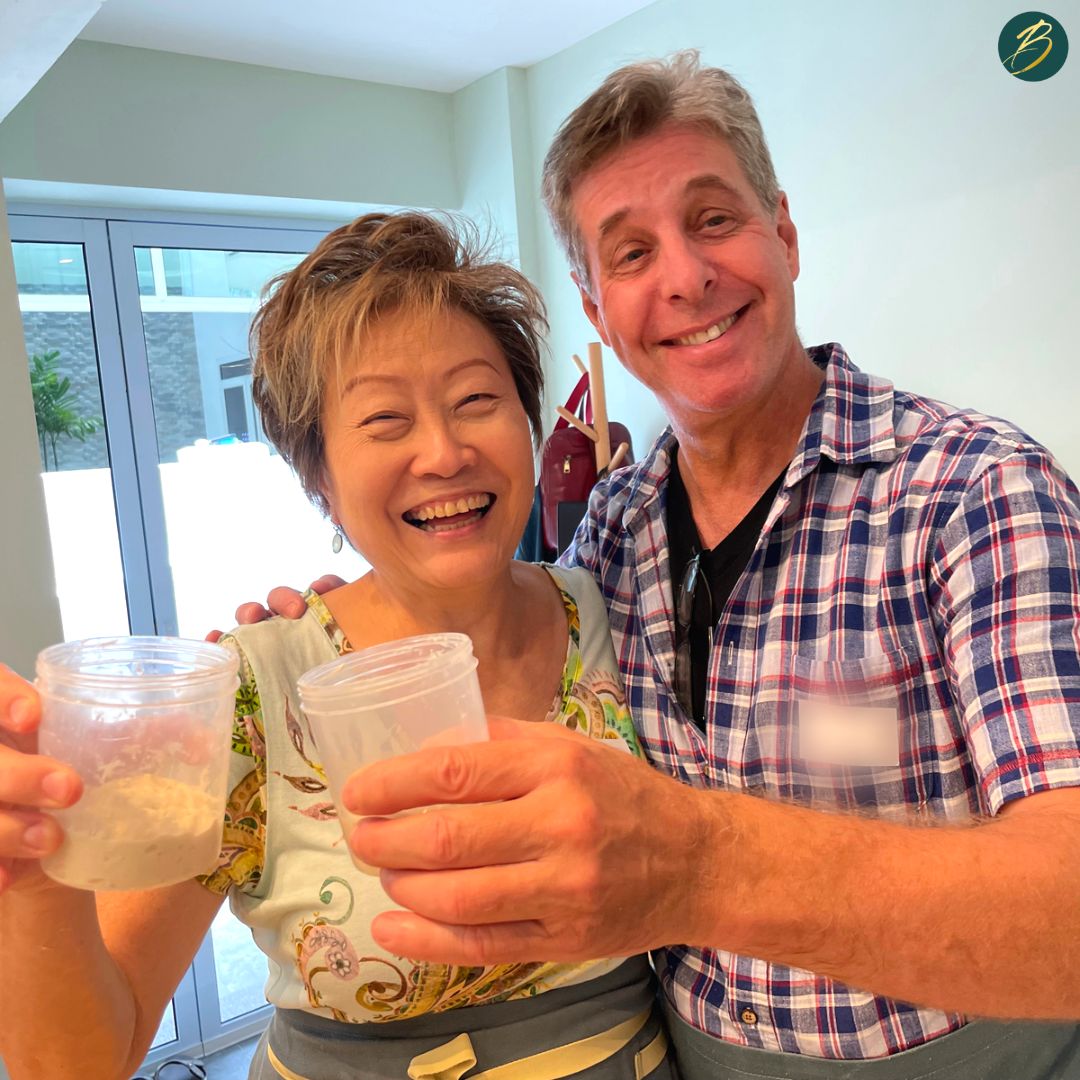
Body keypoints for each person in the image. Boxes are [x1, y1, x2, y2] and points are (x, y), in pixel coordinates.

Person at [244, 52, 1080, 1079]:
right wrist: (347, 616)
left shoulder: (973, 494)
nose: (685, 277)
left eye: (716, 220)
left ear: (785, 234)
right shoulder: (614, 535)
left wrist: (700, 867)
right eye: (631, 253)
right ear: (598, 311)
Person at [0, 212, 677, 1079]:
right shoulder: (253, 691)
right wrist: (33, 875)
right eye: (385, 421)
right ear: (319, 478)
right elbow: (79, 1060)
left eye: (477, 400)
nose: (443, 452)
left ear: (530, 425)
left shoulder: (622, 616)